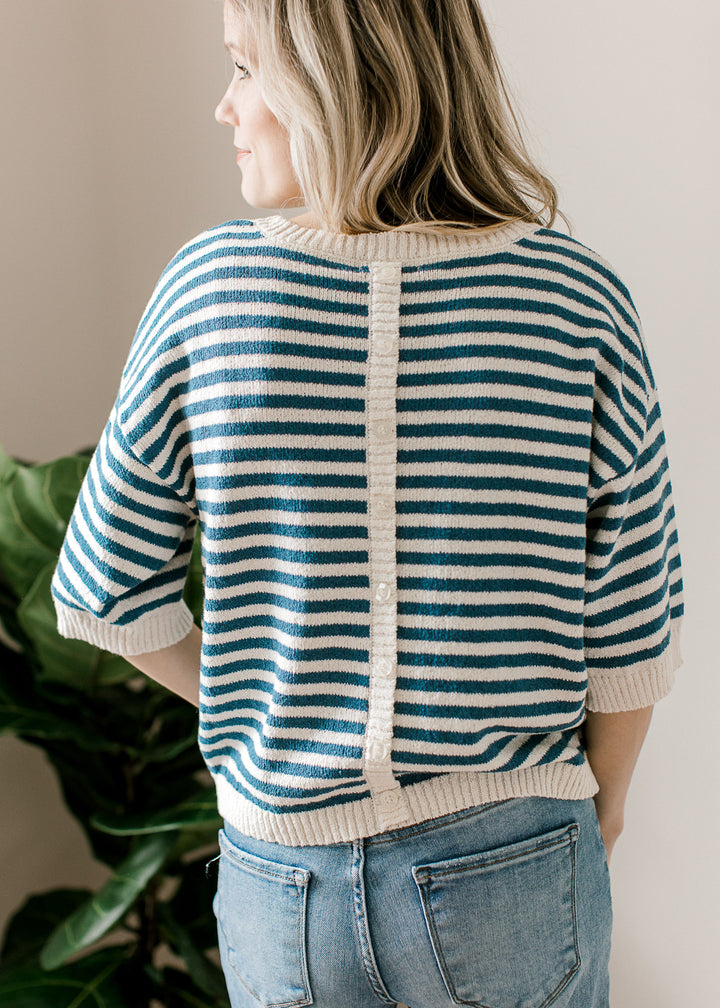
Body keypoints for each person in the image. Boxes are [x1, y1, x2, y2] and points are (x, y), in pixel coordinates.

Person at [51, 1, 685, 1006]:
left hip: (282, 884)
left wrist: (266, 716)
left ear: (328, 81)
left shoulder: (209, 293)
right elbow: (632, 624)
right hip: (514, 853)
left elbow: (103, 596)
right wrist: (602, 811)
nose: (225, 107)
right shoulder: (576, 297)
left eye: (245, 70)